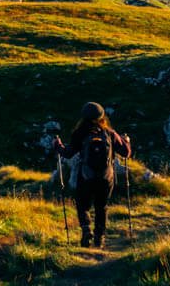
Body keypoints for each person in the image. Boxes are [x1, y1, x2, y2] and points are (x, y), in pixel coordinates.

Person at [53, 102, 132, 248]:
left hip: (86, 176)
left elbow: (68, 154)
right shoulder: (109, 133)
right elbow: (126, 153)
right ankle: (99, 238)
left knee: (82, 205)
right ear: (102, 116)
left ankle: (86, 230)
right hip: (106, 177)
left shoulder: (80, 133)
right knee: (101, 206)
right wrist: (126, 141)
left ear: (84, 117)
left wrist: (58, 145)